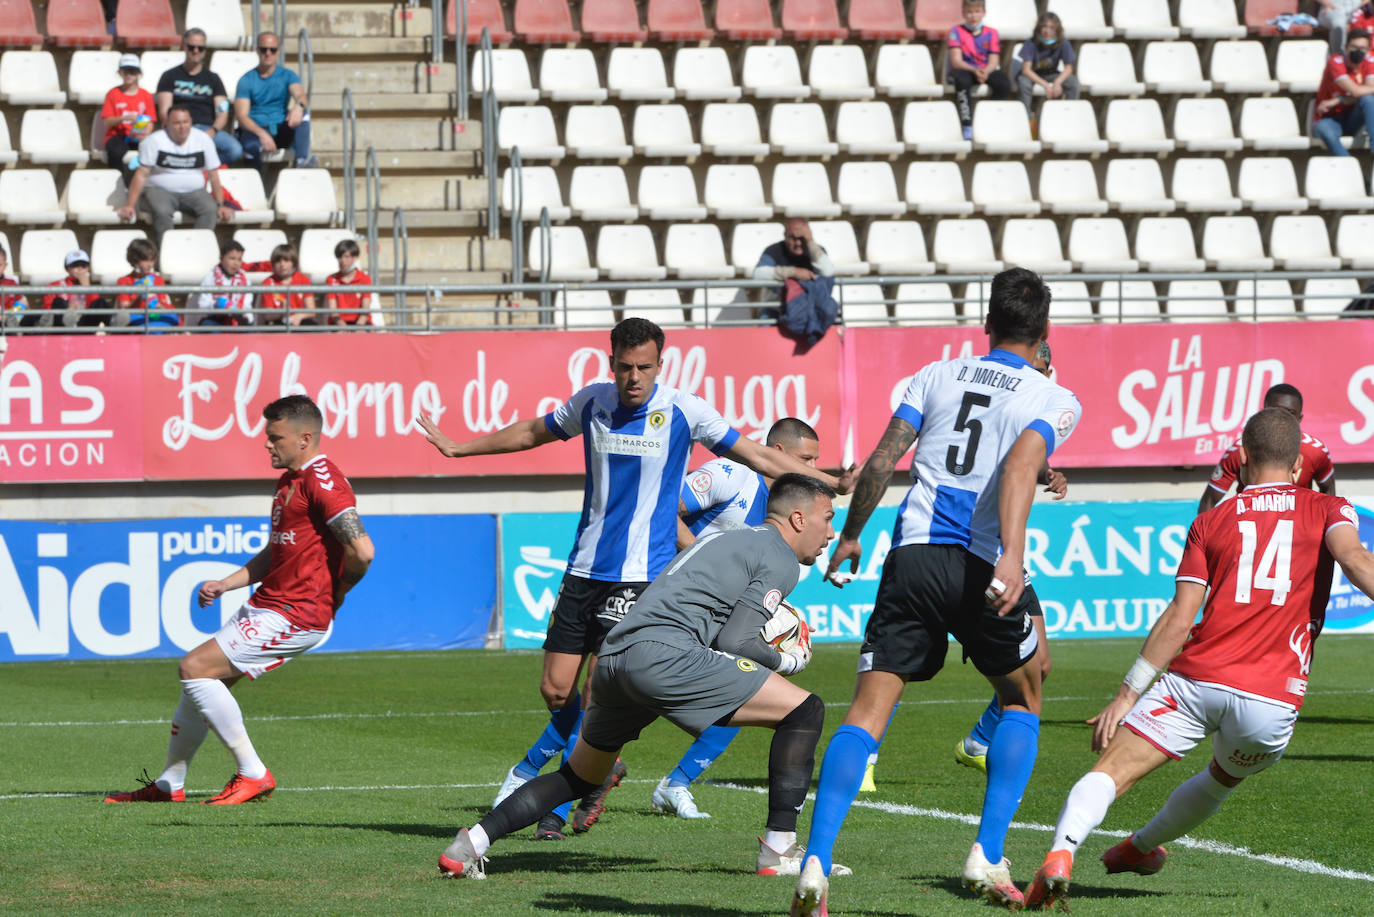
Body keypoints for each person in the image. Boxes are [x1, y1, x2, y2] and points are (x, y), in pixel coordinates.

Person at [418, 318, 852, 842]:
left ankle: (571, 785)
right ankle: (602, 761)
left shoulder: (685, 410)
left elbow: (759, 454)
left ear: (659, 364)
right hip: (585, 566)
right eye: (624, 366)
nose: (633, 377)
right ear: (611, 362)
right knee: (556, 689)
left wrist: (828, 482)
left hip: (643, 576)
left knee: (605, 684)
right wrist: (462, 449)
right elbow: (534, 430)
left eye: (643, 367)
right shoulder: (592, 402)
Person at [790, 268, 1082, 916]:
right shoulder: (1050, 394)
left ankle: (814, 863)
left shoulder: (937, 374)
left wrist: (850, 535)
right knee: (1024, 694)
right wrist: (1012, 550)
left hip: (914, 557)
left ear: (987, 323)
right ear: (1045, 332)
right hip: (980, 563)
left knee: (866, 712)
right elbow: (1018, 464)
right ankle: (987, 850)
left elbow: (884, 457)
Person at [1022, 407, 1374, 910]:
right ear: (1299, 464)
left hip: (1195, 682)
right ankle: (1138, 848)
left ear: (1244, 457)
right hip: (1271, 700)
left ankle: (1060, 853)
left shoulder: (1210, 521)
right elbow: (1356, 560)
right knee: (1221, 778)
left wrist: (1126, 695)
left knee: (1113, 770)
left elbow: (1179, 619)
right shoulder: (1328, 509)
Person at [437, 474, 837, 880]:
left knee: (577, 777)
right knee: (806, 712)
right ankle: (779, 850)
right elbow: (737, 639)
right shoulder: (781, 558)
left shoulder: (727, 537)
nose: (831, 533)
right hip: (666, 657)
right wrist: (786, 660)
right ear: (799, 519)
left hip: (615, 658)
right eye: (828, 518)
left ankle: (470, 843)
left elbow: (714, 620)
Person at [105, 395, 375, 805]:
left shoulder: (324, 480)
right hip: (271, 603)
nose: (267, 444)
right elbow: (278, 550)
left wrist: (338, 592)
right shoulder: (291, 480)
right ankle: (169, 784)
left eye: (275, 437)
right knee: (199, 688)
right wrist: (227, 584)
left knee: (193, 668)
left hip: (296, 612)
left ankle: (254, 773)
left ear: (305, 438)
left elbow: (363, 551)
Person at [651, 418, 819, 830]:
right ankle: (534, 778)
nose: (814, 467)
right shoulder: (730, 476)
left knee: (745, 686)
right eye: (807, 459)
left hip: (719, 616)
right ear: (777, 453)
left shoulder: (794, 514)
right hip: (672, 602)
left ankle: (676, 783)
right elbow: (664, 509)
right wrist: (704, 564)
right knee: (617, 690)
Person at [1198, 383, 1335, 514]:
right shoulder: (1240, 449)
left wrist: (1320, 527)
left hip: (1296, 528)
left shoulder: (1315, 450)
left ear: (1299, 418)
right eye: (1275, 410)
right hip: (1249, 528)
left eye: (1290, 412)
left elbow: (1328, 490)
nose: (1282, 417)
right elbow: (1208, 501)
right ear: (1264, 411)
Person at [117, 105, 234, 245]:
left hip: (194, 191)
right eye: (177, 123)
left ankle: (198, 250)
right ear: (167, 123)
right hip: (159, 190)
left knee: (210, 209)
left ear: (191, 122)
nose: (182, 127)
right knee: (162, 211)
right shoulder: (154, 141)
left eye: (185, 122)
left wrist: (221, 204)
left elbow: (213, 174)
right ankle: (167, 253)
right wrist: (130, 205)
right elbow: (141, 174)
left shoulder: (203, 140)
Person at [156, 28, 242, 166]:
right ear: (184, 47)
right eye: (191, 47)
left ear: (205, 50)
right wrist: (182, 130)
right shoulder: (169, 76)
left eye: (200, 48)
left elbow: (222, 112)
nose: (196, 51)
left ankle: (201, 167)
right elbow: (164, 112)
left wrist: (213, 131)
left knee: (235, 150)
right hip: (179, 127)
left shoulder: (213, 78)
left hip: (207, 128)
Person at [235, 31, 314, 170]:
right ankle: (254, 186)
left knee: (304, 114)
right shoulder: (246, 79)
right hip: (256, 130)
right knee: (251, 148)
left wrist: (299, 106)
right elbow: (242, 116)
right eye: (264, 49)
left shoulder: (288, 75)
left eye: (273, 50)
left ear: (278, 51)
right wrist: (261, 134)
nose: (268, 53)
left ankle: (302, 162)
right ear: (257, 51)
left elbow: (301, 95)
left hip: (280, 129)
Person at [753, 219, 838, 348]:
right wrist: (792, 272)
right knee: (764, 328)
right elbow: (758, 274)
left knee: (832, 319)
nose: (798, 243)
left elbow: (828, 271)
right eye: (793, 238)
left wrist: (810, 242)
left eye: (802, 238)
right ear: (785, 237)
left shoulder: (816, 250)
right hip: (776, 311)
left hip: (811, 311)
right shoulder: (773, 250)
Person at [949, 0, 1011, 141]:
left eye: (977, 11)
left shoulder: (992, 33)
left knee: (1003, 84)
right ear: (963, 12)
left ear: (983, 12)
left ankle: (989, 119)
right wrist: (975, 70)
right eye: (969, 12)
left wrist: (986, 71)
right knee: (961, 81)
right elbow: (956, 61)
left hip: (985, 70)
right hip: (966, 69)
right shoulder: (956, 32)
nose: (973, 16)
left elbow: (994, 60)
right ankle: (967, 124)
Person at [1313, 28, 1374, 156]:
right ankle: (1352, 170)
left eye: (1363, 48)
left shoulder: (1369, 62)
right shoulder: (1336, 61)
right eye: (1354, 47)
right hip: (1329, 117)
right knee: (1325, 131)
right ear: (1346, 47)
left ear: (1368, 50)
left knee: (1368, 99)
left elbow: (1366, 91)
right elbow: (1356, 91)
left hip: (1354, 117)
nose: (1358, 51)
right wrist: (1350, 97)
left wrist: (1339, 100)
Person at [101, 54, 157, 176]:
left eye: (132, 71)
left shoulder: (146, 95)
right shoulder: (113, 94)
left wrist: (145, 134)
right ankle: (118, 182)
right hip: (118, 135)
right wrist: (123, 118)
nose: (129, 75)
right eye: (125, 71)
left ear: (138, 74)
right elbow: (107, 121)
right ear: (120, 73)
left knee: (154, 149)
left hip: (139, 134)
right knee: (114, 151)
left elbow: (150, 121)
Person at [1017, 12, 1078, 117]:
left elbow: (1068, 68)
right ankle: (1025, 116)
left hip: (1052, 74)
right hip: (1033, 75)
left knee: (1072, 82)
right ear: (1038, 28)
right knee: (1023, 82)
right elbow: (1026, 70)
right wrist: (1046, 86)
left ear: (1057, 30)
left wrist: (1057, 83)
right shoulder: (1030, 43)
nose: (1047, 31)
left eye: (1051, 27)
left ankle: (1071, 114)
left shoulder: (1063, 43)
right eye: (1044, 26)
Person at [115, 238, 178, 327]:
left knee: (173, 316)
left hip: (156, 319)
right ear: (134, 261)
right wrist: (140, 297)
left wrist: (159, 305)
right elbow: (124, 309)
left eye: (152, 260)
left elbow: (164, 302)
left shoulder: (158, 279)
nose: (150, 265)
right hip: (135, 322)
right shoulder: (124, 281)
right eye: (146, 260)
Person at [43, 250, 113, 329]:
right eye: (75, 265)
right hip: (63, 326)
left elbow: (94, 305)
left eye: (83, 266)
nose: (80, 268)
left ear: (88, 268)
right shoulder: (55, 285)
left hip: (83, 324)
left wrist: (87, 288)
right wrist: (68, 308)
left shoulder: (89, 285)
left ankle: (114, 326)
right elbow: (48, 309)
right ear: (67, 268)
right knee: (58, 301)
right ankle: (70, 322)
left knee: (100, 302)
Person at [193, 238, 256, 326]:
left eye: (239, 259)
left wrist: (245, 316)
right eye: (232, 258)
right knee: (210, 327)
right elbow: (203, 304)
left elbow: (247, 304)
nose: (236, 263)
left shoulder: (245, 279)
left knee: (250, 330)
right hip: (214, 318)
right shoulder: (210, 277)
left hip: (238, 320)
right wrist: (216, 305)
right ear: (221, 258)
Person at [258, 243, 317, 325]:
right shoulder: (268, 283)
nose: (282, 265)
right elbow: (267, 316)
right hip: (277, 322)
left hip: (300, 321)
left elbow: (312, 311)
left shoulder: (303, 279)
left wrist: (299, 316)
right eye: (278, 261)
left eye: (286, 260)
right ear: (273, 264)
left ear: (293, 262)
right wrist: (282, 312)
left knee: (312, 326)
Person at [325, 238, 377, 326]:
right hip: (338, 322)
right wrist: (342, 326)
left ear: (356, 257)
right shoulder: (331, 279)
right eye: (339, 257)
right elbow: (333, 312)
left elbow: (365, 309)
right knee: (340, 335)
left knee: (360, 336)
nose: (342, 261)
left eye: (346, 256)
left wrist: (358, 327)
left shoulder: (364, 278)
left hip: (360, 322)